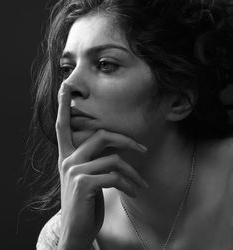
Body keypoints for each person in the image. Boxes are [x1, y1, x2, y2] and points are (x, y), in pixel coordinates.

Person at [25, 0, 233, 249]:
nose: (68, 87)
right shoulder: (64, 234)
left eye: (105, 65)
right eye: (67, 68)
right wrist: (73, 241)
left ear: (178, 100)